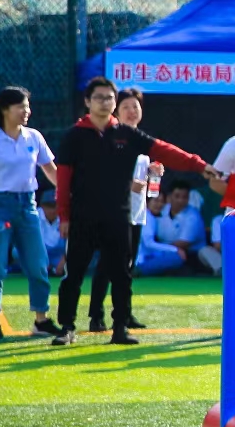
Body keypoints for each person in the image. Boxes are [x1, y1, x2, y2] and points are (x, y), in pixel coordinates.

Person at [54, 77, 214, 345]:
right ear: (87, 102)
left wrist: (199, 165)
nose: (104, 102)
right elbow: (63, 180)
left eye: (109, 98)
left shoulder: (126, 135)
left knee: (121, 274)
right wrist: (64, 216)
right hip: (83, 216)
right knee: (75, 274)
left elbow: (164, 150)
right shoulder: (75, 136)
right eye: (99, 97)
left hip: (119, 215)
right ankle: (67, 328)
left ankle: (119, 329)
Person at [0, 86, 61, 340]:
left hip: (28, 206)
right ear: (4, 109)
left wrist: (69, 192)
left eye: (27, 106)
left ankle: (41, 320)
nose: (26, 111)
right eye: (20, 106)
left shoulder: (34, 137)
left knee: (38, 264)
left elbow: (51, 171)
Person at [88, 88, 159, 332]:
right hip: (113, 211)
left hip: (136, 212)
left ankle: (124, 314)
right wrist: (129, 183)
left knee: (127, 267)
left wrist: (153, 172)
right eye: (126, 106)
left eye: (135, 107)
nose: (132, 111)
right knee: (108, 265)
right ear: (117, 110)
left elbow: (142, 177)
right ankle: (96, 315)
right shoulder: (112, 137)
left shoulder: (141, 139)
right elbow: (102, 174)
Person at [135, 182, 210, 275]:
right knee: (175, 257)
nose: (159, 204)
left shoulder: (192, 215)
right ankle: (139, 270)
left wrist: (170, 249)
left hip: (190, 253)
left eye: (161, 201)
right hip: (145, 256)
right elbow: (149, 243)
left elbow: (184, 243)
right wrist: (173, 249)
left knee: (176, 257)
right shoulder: (148, 216)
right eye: (155, 201)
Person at [37, 190, 66, 276]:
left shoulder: (65, 218)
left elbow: (74, 242)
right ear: (42, 206)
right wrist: (42, 263)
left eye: (55, 206)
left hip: (59, 256)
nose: (52, 210)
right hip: (38, 255)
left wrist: (65, 260)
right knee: (16, 252)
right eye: (49, 206)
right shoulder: (34, 217)